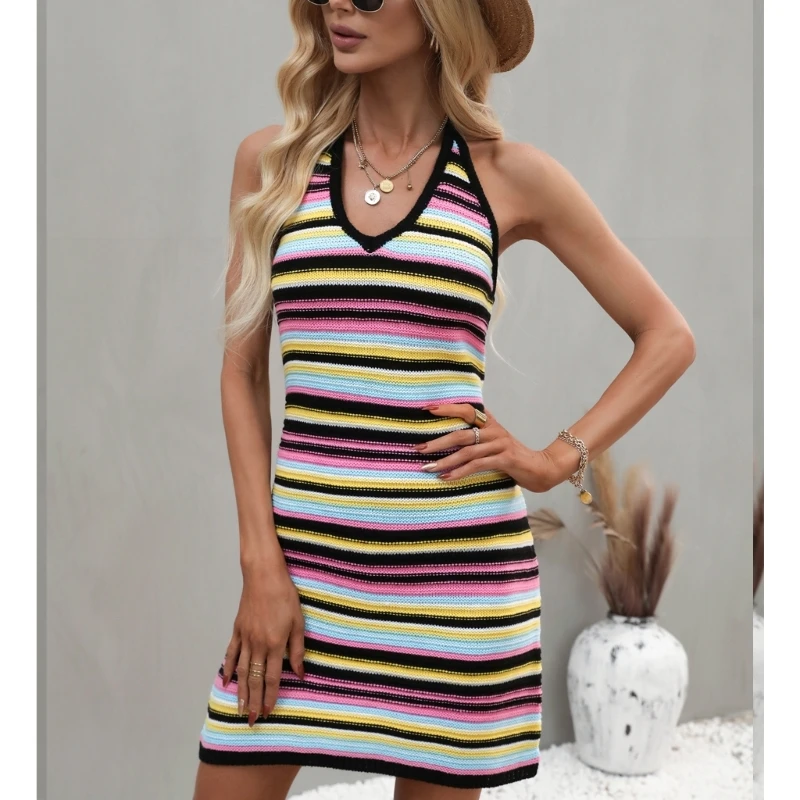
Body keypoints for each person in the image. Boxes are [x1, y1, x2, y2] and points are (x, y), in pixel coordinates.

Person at [192, 1, 696, 798]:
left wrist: (551, 460)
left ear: (438, 13)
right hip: (300, 579)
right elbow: (240, 373)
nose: (340, 5)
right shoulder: (274, 162)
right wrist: (260, 565)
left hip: (455, 588)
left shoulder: (507, 175)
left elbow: (667, 336)